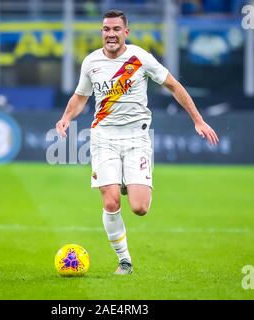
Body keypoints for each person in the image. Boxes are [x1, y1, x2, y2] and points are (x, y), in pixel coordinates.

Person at [55, 10, 219, 275]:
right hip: (103, 137)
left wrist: (198, 120)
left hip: (136, 138)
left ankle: (124, 182)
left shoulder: (140, 58)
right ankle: (125, 261)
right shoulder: (91, 62)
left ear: (125, 32)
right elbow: (80, 96)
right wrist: (65, 118)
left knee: (140, 208)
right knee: (110, 203)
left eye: (116, 29)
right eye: (106, 29)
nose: (110, 34)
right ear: (101, 32)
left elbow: (174, 86)